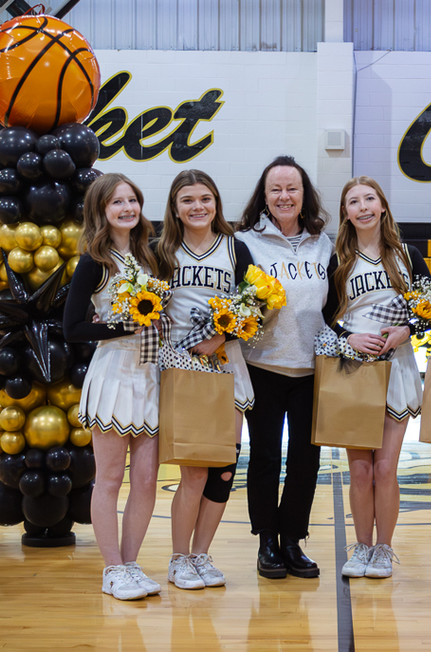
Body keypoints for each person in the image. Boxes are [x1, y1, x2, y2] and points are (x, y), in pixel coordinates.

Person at [322, 176, 429, 580]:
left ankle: (384, 549)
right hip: (353, 368)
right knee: (360, 470)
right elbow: (326, 315)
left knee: (385, 468)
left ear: (382, 206)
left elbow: (428, 308)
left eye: (370, 198)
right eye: (354, 201)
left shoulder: (407, 255)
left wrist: (407, 331)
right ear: (346, 213)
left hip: (396, 366)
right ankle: (362, 546)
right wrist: (349, 335)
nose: (363, 206)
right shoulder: (338, 260)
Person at [62, 173, 162, 601]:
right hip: (114, 375)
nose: (126, 208)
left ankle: (132, 564)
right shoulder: (94, 261)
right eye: (116, 202)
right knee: (109, 479)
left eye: (132, 200)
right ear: (101, 211)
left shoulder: (150, 257)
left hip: (150, 375)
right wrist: (120, 327)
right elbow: (72, 328)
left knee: (145, 481)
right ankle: (112, 569)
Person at [155, 169, 255, 590]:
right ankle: (179, 558)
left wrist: (223, 334)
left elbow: (258, 305)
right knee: (194, 471)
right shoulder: (160, 251)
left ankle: (202, 555)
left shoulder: (236, 249)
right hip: (183, 369)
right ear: (175, 208)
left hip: (228, 366)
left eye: (205, 199)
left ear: (216, 202)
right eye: (188, 200)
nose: (198, 207)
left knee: (224, 470)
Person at [235, 156, 333, 579]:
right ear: (264, 195)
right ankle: (266, 542)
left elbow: (336, 306)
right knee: (265, 458)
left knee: (306, 461)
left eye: (292, 188)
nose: (284, 196)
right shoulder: (244, 243)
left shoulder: (325, 243)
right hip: (263, 365)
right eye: (275, 189)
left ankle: (293, 539)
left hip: (313, 369)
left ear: (304, 194)